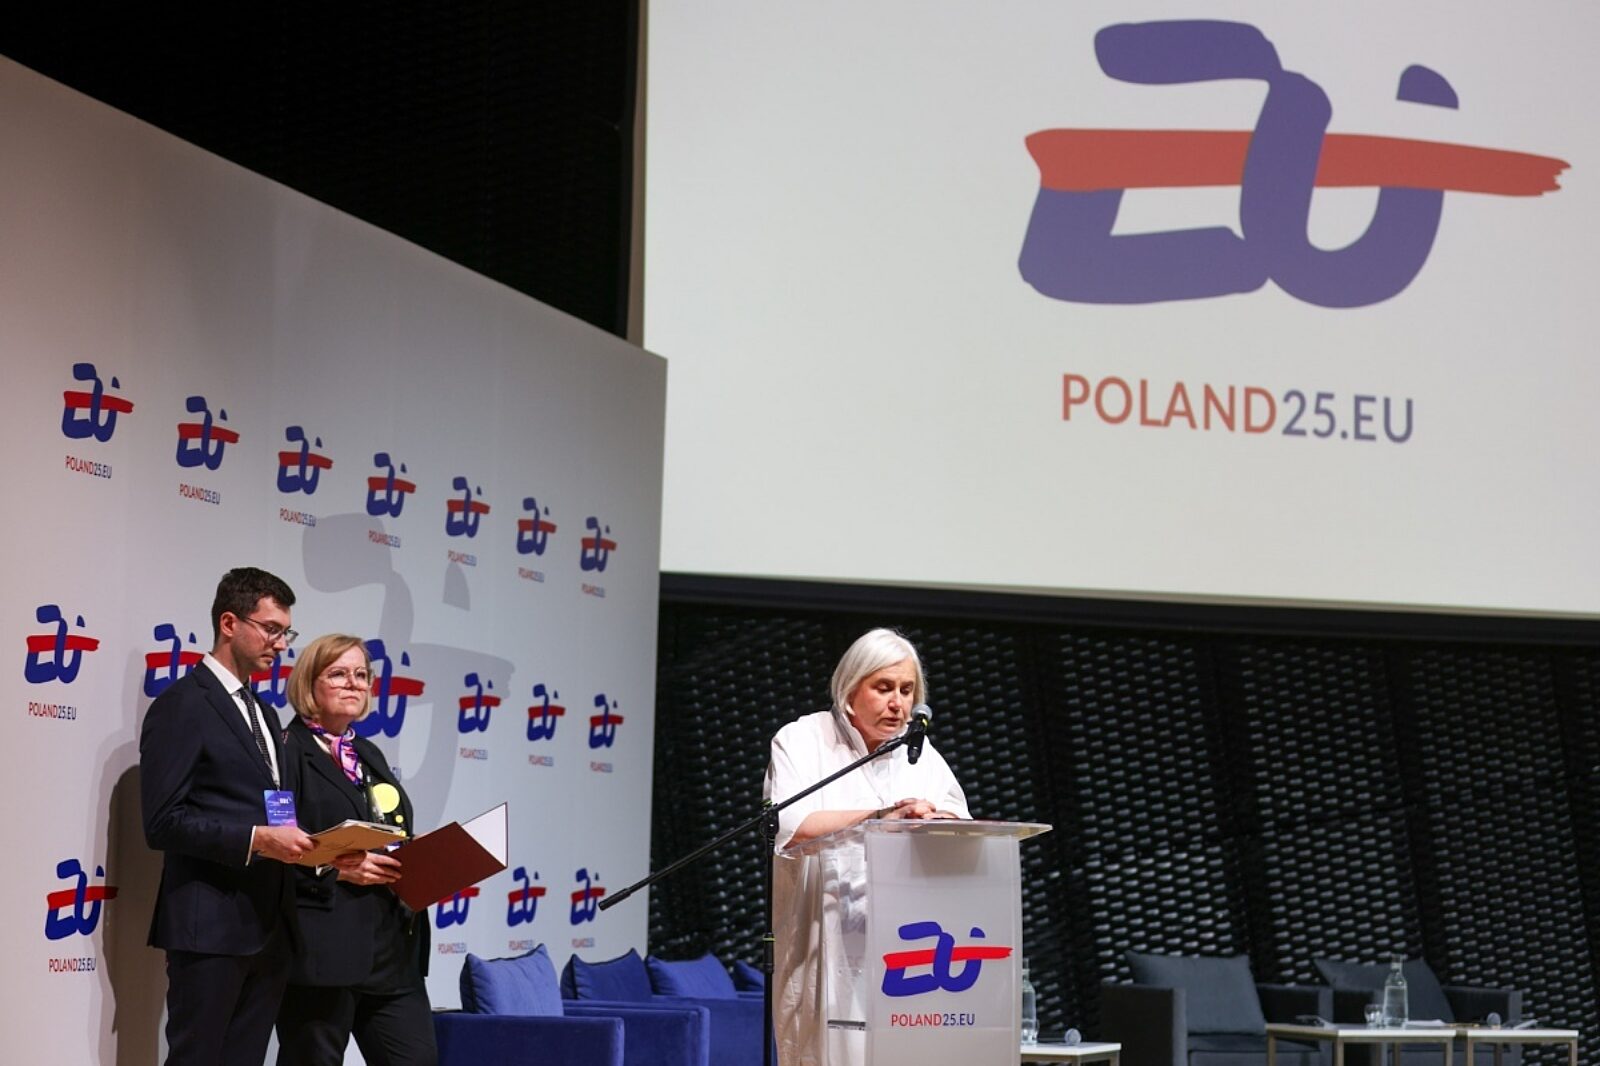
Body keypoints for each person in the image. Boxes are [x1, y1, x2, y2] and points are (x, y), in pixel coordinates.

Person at [764, 628, 970, 1066]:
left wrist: (935, 822)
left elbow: (963, 828)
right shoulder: (803, 740)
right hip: (823, 955)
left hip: (907, 959)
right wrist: (879, 817)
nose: (898, 703)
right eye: (884, 688)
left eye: (907, 690)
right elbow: (791, 825)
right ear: (850, 689)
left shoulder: (921, 755)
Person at [141, 566, 314, 1066]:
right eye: (271, 629)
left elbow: (276, 810)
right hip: (210, 928)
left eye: (286, 633)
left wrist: (318, 849)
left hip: (269, 926)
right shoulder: (182, 705)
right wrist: (257, 840)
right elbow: (163, 822)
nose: (280, 644)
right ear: (229, 623)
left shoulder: (266, 712)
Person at [274, 634, 435, 1066]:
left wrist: (417, 858)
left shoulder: (368, 752)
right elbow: (274, 847)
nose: (354, 683)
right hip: (323, 948)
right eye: (338, 673)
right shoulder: (285, 751)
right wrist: (335, 868)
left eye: (361, 675)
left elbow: (386, 829)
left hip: (393, 949)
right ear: (309, 682)